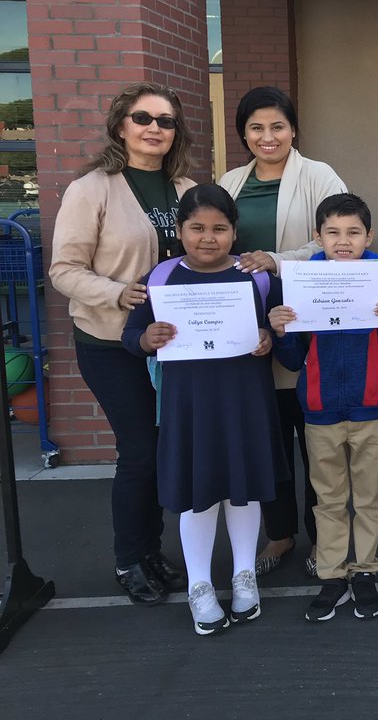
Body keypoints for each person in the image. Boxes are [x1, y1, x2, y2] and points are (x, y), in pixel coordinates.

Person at [49, 82, 196, 606]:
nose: (155, 128)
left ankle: (152, 551)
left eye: (166, 120)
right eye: (143, 118)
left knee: (160, 450)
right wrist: (118, 294)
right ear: (120, 126)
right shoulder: (92, 188)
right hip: (110, 341)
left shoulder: (184, 189)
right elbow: (64, 269)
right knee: (139, 449)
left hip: (171, 345)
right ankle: (129, 557)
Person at [122, 184, 283, 635]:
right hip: (188, 404)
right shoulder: (161, 277)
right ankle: (199, 585)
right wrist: (144, 339)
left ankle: (244, 573)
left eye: (219, 228)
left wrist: (270, 338)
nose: (208, 237)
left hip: (244, 399)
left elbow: (277, 325)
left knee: (243, 487)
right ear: (180, 230)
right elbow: (131, 334)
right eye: (196, 228)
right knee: (199, 492)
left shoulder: (255, 275)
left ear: (235, 231)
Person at [218, 86, 348, 577]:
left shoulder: (319, 176)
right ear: (243, 134)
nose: (267, 136)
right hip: (245, 331)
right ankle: (280, 534)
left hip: (305, 325)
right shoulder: (230, 182)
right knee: (266, 439)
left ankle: (324, 538)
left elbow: (338, 241)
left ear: (293, 129)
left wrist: (275, 260)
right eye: (256, 127)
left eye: (277, 126)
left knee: (313, 440)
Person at [269, 193, 378, 622]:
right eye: (333, 232)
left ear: (369, 235)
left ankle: (365, 570)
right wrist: (280, 332)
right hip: (318, 408)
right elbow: (294, 359)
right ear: (318, 237)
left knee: (368, 497)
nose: (343, 240)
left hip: (370, 406)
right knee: (329, 499)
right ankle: (333, 575)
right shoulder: (301, 283)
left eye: (353, 232)